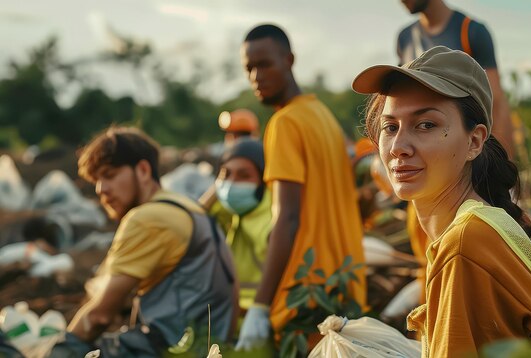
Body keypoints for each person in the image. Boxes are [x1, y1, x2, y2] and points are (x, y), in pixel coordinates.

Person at [352, 46, 531, 357]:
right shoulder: (477, 225)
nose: (399, 147)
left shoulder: (465, 243)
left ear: (474, 141)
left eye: (426, 124)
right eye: (391, 127)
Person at [51, 126, 236, 357]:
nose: (101, 189)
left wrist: (59, 351)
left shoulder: (147, 218)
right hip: (210, 344)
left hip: (178, 347)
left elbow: (99, 317)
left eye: (109, 175)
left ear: (143, 170)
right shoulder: (189, 208)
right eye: (96, 180)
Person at [236, 24, 366, 351]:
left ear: (289, 60)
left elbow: (287, 217)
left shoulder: (285, 123)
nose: (255, 76)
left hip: (305, 300)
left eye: (264, 64)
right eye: (249, 68)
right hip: (345, 288)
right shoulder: (323, 116)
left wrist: (261, 305)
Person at [396, 0, 515, 158]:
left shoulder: (471, 32)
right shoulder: (405, 39)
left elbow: (495, 103)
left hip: (462, 153)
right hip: (419, 150)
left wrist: (500, 165)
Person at [200, 139, 272, 311]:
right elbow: (196, 214)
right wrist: (218, 184)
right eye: (226, 174)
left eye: (244, 175)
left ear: (264, 181)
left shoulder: (271, 221)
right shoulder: (228, 211)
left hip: (260, 320)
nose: (231, 183)